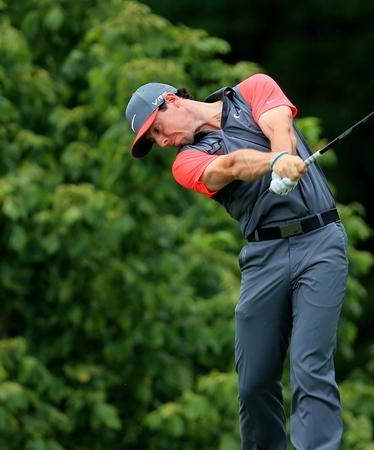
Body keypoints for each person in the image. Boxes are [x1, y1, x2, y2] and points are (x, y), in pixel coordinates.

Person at [124, 73, 349, 450]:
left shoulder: (253, 89)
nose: (162, 142)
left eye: (156, 129)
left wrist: (284, 156)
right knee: (253, 382)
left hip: (319, 243)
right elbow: (229, 167)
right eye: (153, 140)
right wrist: (274, 163)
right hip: (264, 257)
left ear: (172, 101)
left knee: (310, 366)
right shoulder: (185, 162)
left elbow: (279, 126)